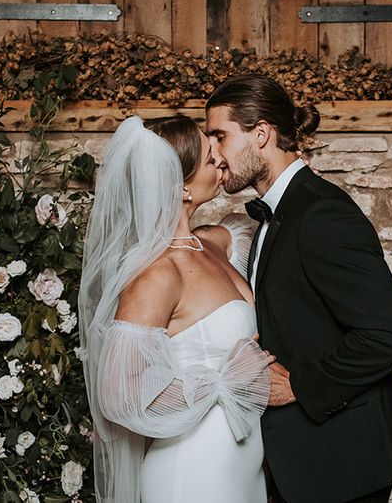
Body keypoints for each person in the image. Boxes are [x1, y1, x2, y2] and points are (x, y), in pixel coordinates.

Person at [205, 74, 392, 503]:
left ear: (260, 133)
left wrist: (300, 384)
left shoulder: (321, 214)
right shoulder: (274, 215)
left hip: (338, 469)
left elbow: (390, 336)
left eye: (220, 136)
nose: (214, 153)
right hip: (300, 463)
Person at [78, 114, 272, 503]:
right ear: (182, 187)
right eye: (208, 154)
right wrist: (222, 381)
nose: (220, 158)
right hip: (192, 469)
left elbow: (280, 227)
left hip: (244, 465)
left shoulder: (219, 242)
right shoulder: (157, 275)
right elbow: (120, 396)